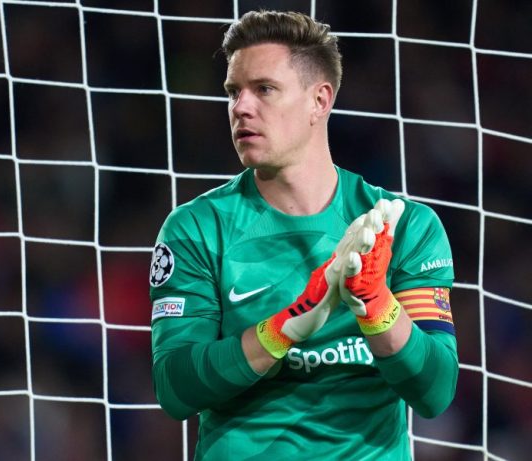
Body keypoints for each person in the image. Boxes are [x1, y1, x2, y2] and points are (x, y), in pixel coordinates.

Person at [148, 10, 458, 460]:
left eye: (264, 89)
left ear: (319, 100)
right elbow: (175, 388)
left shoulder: (404, 226)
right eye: (233, 91)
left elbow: (435, 392)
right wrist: (286, 326)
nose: (240, 107)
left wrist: (376, 304)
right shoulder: (196, 228)